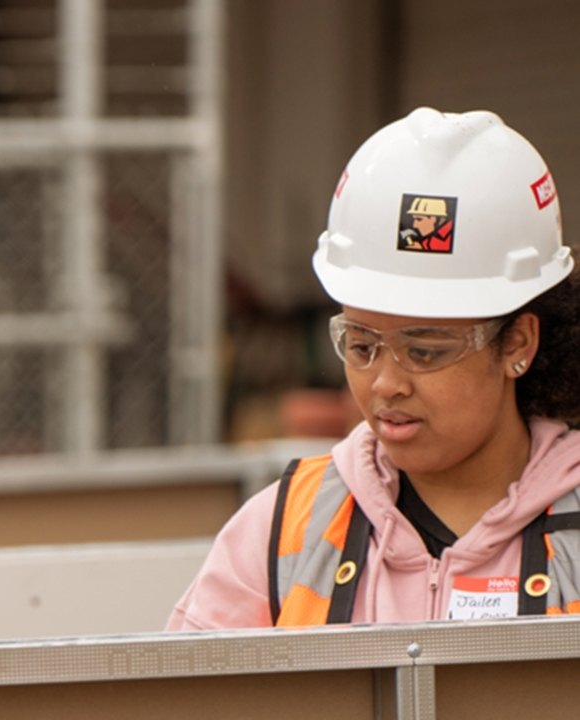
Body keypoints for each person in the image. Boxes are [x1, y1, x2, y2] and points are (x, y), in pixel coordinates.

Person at [168, 107, 580, 630]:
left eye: (426, 350)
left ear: (517, 344)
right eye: (361, 346)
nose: (386, 383)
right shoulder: (281, 533)